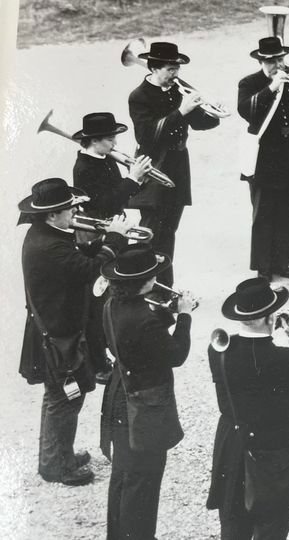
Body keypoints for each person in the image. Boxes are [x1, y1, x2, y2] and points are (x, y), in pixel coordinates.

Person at [18, 178, 130, 486]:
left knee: (60, 396)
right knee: (65, 398)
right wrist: (115, 241)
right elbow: (86, 269)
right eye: (69, 208)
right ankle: (57, 465)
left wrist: (97, 242)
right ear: (52, 214)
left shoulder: (46, 234)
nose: (75, 211)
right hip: (58, 335)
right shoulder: (49, 244)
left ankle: (55, 455)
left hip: (57, 331)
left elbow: (77, 259)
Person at [206, 278, 289, 539]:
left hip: (232, 447)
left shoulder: (218, 350)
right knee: (272, 527)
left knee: (233, 525)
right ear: (271, 318)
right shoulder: (287, 359)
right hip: (273, 456)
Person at [99, 244, 196, 539]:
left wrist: (168, 313)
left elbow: (144, 334)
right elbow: (175, 354)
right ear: (144, 281)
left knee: (123, 475)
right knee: (144, 480)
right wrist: (184, 317)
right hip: (144, 406)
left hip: (120, 395)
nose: (156, 278)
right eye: (152, 275)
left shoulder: (113, 305)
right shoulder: (143, 318)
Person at [128, 41, 221, 285]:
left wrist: (212, 112)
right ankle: (145, 286)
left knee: (169, 232)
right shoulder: (138, 97)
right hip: (154, 166)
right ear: (155, 68)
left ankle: (164, 287)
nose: (175, 74)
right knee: (151, 233)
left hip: (178, 165)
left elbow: (201, 123)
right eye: (170, 69)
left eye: (177, 68)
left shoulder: (178, 89)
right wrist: (181, 111)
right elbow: (146, 136)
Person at [71, 111, 152, 382]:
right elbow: (103, 203)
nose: (115, 144)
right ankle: (98, 362)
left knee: (111, 291)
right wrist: (132, 180)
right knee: (98, 298)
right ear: (94, 141)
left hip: (114, 228)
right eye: (110, 139)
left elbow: (119, 194)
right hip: (98, 236)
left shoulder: (103, 159)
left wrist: (137, 179)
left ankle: (109, 348)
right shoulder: (84, 167)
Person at [238, 37, 289, 281]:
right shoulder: (250, 83)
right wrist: (272, 87)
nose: (276, 64)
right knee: (263, 212)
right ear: (261, 61)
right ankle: (263, 268)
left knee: (285, 211)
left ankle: (282, 262)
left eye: (279, 59)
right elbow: (246, 110)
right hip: (263, 156)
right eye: (270, 61)